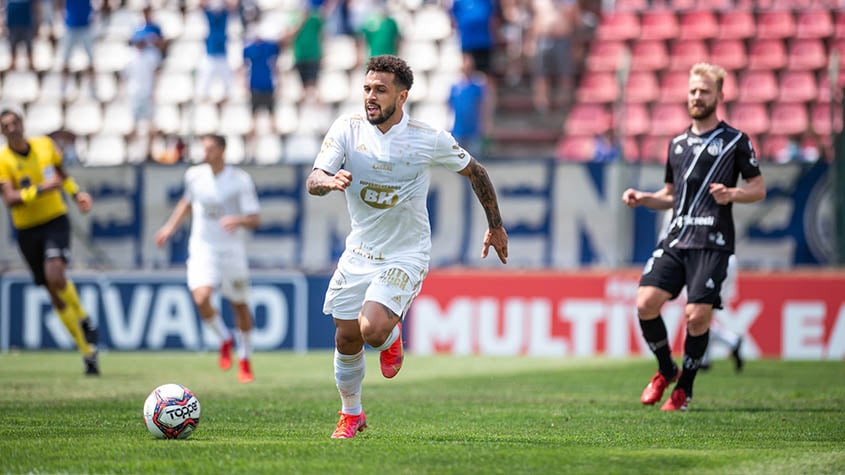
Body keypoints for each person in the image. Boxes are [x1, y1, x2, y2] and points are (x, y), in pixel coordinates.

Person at [307, 55, 509, 439]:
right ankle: (352, 414)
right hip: (360, 251)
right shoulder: (347, 130)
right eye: (367, 88)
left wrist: (495, 226)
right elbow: (314, 177)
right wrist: (328, 182)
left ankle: (391, 335)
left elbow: (475, 171)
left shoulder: (426, 138)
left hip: (406, 251)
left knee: (372, 328)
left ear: (402, 97)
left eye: (380, 90)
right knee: (346, 336)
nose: (370, 96)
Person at [621, 63, 766, 411]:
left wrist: (733, 194)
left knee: (697, 316)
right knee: (645, 302)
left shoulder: (735, 141)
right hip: (677, 236)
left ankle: (684, 388)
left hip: (712, 241)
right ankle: (665, 369)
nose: (697, 97)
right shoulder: (677, 143)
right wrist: (644, 198)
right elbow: (671, 195)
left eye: (704, 92)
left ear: (719, 96)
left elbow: (758, 188)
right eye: (693, 91)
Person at [0, 108, 100, 375]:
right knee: (53, 293)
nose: (12, 128)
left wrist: (77, 194)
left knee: (55, 273)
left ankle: (84, 318)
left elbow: (61, 174)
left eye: (14, 122)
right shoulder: (3, 160)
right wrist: (43, 189)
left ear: (22, 123)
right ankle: (87, 352)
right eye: (5, 125)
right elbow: (10, 199)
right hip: (27, 230)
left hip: (55, 219)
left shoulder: (45, 145)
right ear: (2, 131)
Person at [154, 134, 260, 383]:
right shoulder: (194, 175)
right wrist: (169, 228)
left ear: (223, 151)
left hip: (231, 251)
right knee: (201, 297)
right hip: (203, 247)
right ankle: (224, 338)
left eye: (211, 149)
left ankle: (244, 359)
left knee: (240, 305)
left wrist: (238, 220)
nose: (206, 153)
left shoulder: (240, 180)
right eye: (204, 148)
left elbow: (255, 218)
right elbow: (187, 203)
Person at [448, 53, 490, 159]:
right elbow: (450, 106)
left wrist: (484, 124)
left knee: (474, 159)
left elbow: (482, 106)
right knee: (459, 160)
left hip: (473, 129)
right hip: (458, 128)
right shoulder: (455, 87)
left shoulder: (477, 86)